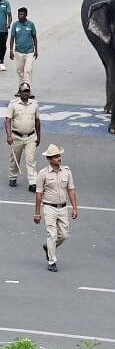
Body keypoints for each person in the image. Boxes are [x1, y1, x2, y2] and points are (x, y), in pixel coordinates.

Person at [34, 143, 78, 273]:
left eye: (59, 155)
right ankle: (52, 261)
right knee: (52, 234)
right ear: (49, 159)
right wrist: (37, 213)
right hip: (49, 208)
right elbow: (38, 195)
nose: (59, 158)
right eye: (55, 156)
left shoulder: (67, 171)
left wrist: (75, 208)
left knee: (63, 235)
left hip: (63, 208)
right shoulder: (43, 174)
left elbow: (71, 190)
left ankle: (48, 247)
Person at [6, 83, 40, 191]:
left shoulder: (34, 104)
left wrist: (38, 137)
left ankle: (32, 182)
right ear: (19, 92)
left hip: (30, 136)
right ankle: (13, 176)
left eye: (27, 91)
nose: (26, 93)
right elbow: (7, 120)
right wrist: (9, 135)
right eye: (24, 91)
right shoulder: (13, 104)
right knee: (15, 158)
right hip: (17, 136)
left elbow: (37, 121)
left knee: (31, 160)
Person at [8, 8, 37, 86]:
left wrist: (36, 50)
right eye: (19, 14)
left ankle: (27, 89)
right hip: (18, 52)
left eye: (22, 14)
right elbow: (12, 38)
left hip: (29, 52)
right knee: (20, 71)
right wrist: (11, 51)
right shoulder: (15, 25)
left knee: (28, 70)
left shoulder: (31, 24)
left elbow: (34, 37)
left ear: (26, 15)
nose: (20, 16)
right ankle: (21, 88)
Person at [0, 0, 9, 71]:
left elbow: (9, 15)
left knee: (3, 46)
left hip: (3, 29)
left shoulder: (6, 3)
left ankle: (1, 61)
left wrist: (9, 24)